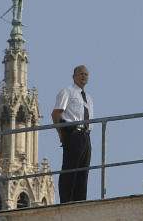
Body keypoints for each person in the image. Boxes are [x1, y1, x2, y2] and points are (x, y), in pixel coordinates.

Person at [51, 65, 93, 203]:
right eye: (80, 73)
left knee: (83, 170)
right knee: (70, 167)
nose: (83, 76)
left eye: (86, 74)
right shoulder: (67, 91)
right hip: (73, 133)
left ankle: (80, 201)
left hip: (86, 135)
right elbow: (56, 113)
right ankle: (66, 200)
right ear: (74, 76)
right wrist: (61, 134)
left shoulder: (88, 98)